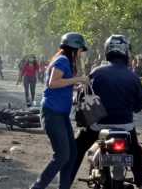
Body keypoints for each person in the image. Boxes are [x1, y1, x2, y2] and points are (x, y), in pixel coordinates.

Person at [70, 34, 142, 189]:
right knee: (136, 150)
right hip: (125, 126)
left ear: (107, 51)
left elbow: (84, 98)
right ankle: (141, 183)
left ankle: (65, 182)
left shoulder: (96, 72)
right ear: (126, 52)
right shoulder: (133, 77)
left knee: (77, 148)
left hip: (98, 125)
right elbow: (139, 106)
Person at [29, 32, 88, 189]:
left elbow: (62, 84)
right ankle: (37, 187)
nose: (81, 54)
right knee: (62, 156)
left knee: (72, 154)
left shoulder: (65, 61)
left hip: (61, 115)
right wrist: (78, 79)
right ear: (74, 49)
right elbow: (53, 83)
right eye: (80, 50)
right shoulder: (62, 60)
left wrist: (76, 85)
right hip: (52, 114)